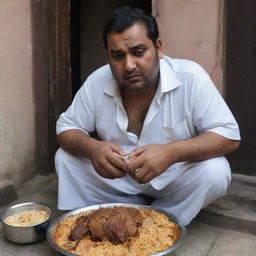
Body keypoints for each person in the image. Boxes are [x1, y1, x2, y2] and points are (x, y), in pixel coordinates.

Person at [55, 6, 240, 226]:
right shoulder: (98, 81)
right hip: (119, 178)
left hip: (173, 177)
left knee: (216, 171)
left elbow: (228, 135)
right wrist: (93, 148)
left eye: (138, 52)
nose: (129, 65)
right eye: (118, 56)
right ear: (108, 56)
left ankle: (159, 223)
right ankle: (122, 211)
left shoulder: (190, 77)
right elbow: (66, 127)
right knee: (65, 158)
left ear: (158, 48)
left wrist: (170, 153)